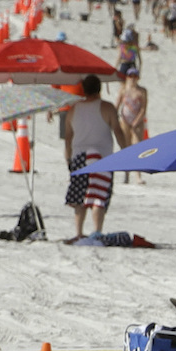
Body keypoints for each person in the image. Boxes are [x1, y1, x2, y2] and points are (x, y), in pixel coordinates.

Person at [59, 75, 129, 239]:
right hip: (102, 157)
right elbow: (117, 131)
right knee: (98, 194)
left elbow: (68, 137)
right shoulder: (107, 107)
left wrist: (68, 158)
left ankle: (78, 232)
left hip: (80, 156)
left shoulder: (73, 109)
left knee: (80, 196)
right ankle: (97, 231)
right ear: (100, 88)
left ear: (83, 89)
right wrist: (126, 151)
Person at [115, 69, 150, 186]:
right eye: (130, 76)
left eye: (135, 76)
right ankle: (126, 174)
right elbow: (117, 105)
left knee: (137, 148)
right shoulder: (123, 89)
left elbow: (143, 109)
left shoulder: (142, 91)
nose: (133, 78)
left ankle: (138, 176)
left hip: (137, 121)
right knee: (126, 148)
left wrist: (136, 121)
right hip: (124, 120)